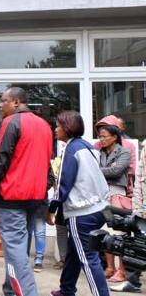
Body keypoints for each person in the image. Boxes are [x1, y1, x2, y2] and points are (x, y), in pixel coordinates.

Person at [0, 87, 52, 296]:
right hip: (34, 197)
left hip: (12, 196)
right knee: (19, 247)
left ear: (17, 102)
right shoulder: (44, 125)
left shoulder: (11, 123)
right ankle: (10, 291)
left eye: (4, 101)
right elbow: (47, 166)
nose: (0, 105)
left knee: (16, 251)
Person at [46, 110, 110, 296]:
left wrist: (52, 208)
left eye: (58, 125)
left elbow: (64, 183)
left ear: (67, 127)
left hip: (81, 212)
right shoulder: (88, 147)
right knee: (75, 252)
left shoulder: (70, 149)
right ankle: (66, 290)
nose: (55, 129)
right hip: (98, 207)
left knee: (88, 259)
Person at [109, 139, 146, 293]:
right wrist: (138, 207)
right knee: (138, 245)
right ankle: (133, 281)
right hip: (142, 206)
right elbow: (140, 179)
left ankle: (133, 281)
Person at [97, 123, 131, 283]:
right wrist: (108, 169)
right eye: (100, 136)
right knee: (105, 233)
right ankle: (110, 268)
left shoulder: (124, 151)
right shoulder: (100, 153)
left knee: (119, 233)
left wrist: (100, 170)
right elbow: (95, 171)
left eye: (104, 136)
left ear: (115, 137)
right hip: (102, 194)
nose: (101, 139)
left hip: (117, 194)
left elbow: (117, 171)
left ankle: (121, 270)